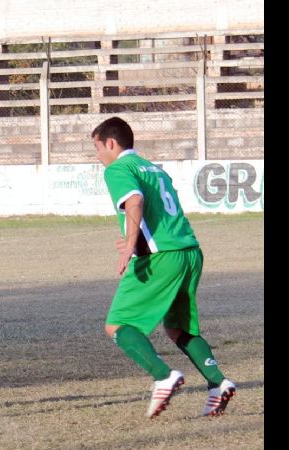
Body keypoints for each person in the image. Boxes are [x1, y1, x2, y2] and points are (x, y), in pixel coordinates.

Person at [91, 117, 236, 418]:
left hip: (162, 258)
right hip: (189, 252)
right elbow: (159, 214)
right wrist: (136, 239)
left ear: (111, 143)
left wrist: (132, 246)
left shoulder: (119, 168)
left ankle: (163, 375)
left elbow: (134, 201)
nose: (97, 156)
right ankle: (218, 383)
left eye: (97, 147)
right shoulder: (154, 168)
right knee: (177, 328)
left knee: (117, 324)